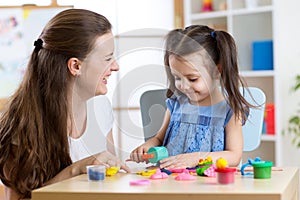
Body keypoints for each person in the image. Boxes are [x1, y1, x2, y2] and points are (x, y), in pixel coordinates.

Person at [0, 9, 130, 200]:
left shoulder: (101, 108)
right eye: (107, 58)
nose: (116, 66)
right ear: (76, 66)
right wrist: (75, 169)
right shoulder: (20, 125)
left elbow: (110, 182)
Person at [130, 25, 255, 169]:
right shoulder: (175, 105)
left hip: (209, 185)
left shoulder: (229, 111)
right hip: (171, 182)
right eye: (177, 77)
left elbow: (234, 156)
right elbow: (159, 138)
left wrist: (197, 158)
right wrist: (147, 147)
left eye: (192, 79)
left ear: (217, 71)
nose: (183, 86)